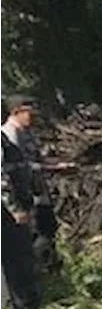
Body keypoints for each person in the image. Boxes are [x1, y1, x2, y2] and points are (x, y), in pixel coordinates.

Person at [1, 95, 56, 273]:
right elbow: (13, 170)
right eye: (29, 113)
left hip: (36, 191)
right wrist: (15, 207)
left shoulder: (26, 132)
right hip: (22, 197)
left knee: (46, 229)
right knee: (29, 238)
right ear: (17, 112)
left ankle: (47, 269)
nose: (32, 118)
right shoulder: (9, 135)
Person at [0, 131, 39, 309]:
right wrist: (15, 208)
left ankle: (22, 301)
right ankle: (24, 302)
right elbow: (2, 178)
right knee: (16, 252)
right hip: (6, 210)